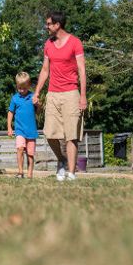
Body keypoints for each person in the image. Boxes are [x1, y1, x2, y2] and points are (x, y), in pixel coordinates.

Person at [32, 10, 87, 181]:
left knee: (71, 135)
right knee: (50, 133)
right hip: (53, 94)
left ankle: (71, 173)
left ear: (57, 25)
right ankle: (61, 160)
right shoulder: (48, 44)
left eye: (48, 24)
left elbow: (82, 70)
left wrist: (83, 96)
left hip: (71, 93)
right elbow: (45, 69)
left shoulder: (75, 43)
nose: (46, 26)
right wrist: (37, 92)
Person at [7, 71, 38, 178]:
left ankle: (30, 174)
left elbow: (38, 111)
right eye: (19, 88)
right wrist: (9, 127)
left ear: (29, 85)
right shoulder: (15, 98)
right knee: (20, 148)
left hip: (31, 131)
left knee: (30, 154)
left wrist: (38, 105)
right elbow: (10, 112)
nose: (22, 90)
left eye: (24, 88)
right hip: (19, 130)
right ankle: (20, 172)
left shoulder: (33, 97)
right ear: (17, 86)